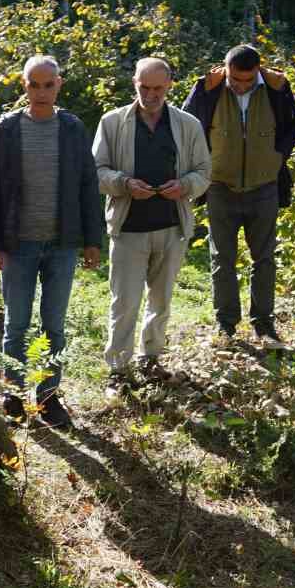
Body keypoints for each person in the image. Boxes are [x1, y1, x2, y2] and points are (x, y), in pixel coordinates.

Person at [0, 56, 104, 429]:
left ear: (59, 85)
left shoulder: (72, 128)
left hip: (62, 244)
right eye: (34, 84)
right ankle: (14, 395)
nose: (41, 92)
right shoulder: (6, 129)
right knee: (16, 324)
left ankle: (48, 398)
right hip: (17, 245)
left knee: (54, 325)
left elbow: (87, 185)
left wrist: (91, 240)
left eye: (48, 85)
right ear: (24, 85)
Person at [92, 57, 211, 395]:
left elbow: (205, 171)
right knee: (124, 302)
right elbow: (96, 171)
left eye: (158, 88)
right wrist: (124, 183)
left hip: (172, 227)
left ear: (170, 86)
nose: (151, 94)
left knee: (161, 301)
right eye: (144, 87)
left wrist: (185, 186)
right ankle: (118, 369)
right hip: (129, 227)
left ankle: (150, 358)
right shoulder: (112, 122)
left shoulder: (188, 124)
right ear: (135, 83)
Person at [183, 43, 295, 348]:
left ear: (257, 73)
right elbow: (186, 122)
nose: (240, 86)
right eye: (234, 80)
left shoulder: (275, 88)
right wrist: (202, 89)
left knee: (264, 259)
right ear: (226, 70)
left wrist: (278, 156)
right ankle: (226, 326)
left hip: (264, 187)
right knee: (222, 258)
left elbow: (294, 123)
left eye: (247, 81)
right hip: (220, 186)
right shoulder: (210, 88)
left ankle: (264, 325)